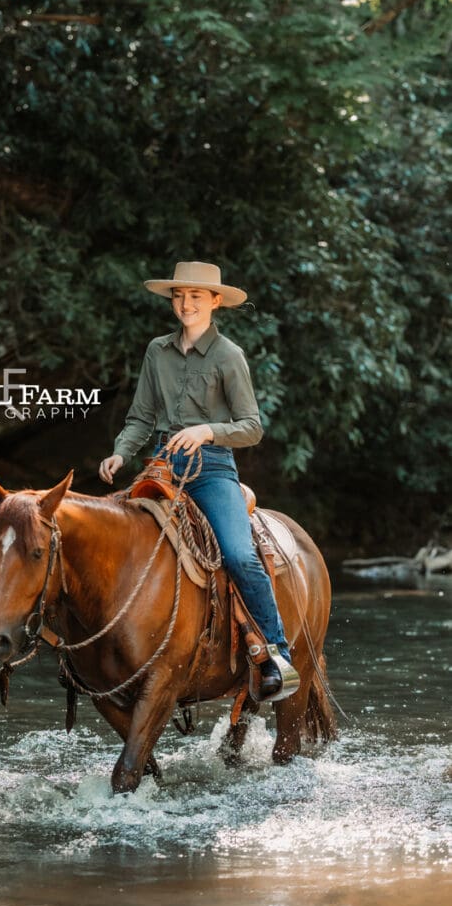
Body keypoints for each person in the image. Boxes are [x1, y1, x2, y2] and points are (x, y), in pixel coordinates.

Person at [98, 260, 295, 700]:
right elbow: (142, 415)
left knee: (239, 555)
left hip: (212, 469)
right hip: (162, 466)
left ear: (215, 302)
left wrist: (207, 430)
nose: (185, 304)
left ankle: (277, 654)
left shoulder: (229, 356)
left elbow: (252, 426)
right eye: (179, 296)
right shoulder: (156, 351)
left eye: (196, 296)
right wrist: (120, 451)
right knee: (116, 543)